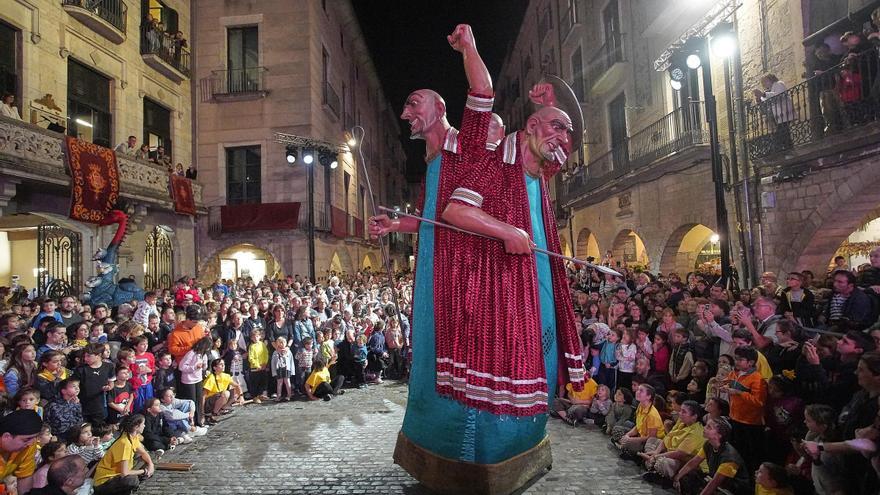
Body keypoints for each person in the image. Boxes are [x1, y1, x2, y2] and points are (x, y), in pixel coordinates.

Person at [673, 417, 751, 495]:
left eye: (709, 427)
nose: (704, 428)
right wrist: (678, 477)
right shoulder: (708, 444)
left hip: (730, 490)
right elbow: (693, 462)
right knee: (687, 475)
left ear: (719, 435)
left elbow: (714, 483)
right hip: (717, 483)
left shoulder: (729, 458)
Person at [92, 414, 154, 495]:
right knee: (132, 480)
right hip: (104, 482)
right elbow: (124, 472)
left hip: (117, 475)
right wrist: (144, 471)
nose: (144, 426)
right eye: (143, 424)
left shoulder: (132, 437)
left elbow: (143, 452)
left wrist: (151, 465)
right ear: (136, 427)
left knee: (145, 460)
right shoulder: (125, 443)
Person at [0, 409, 44, 494]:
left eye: (35, 437)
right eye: (27, 439)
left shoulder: (28, 445)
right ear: (6, 437)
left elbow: (24, 477)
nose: (31, 443)